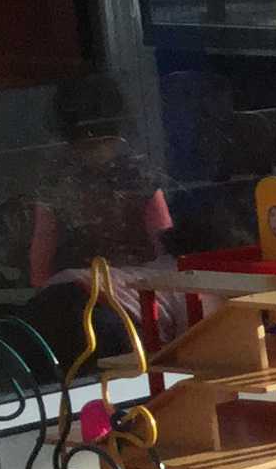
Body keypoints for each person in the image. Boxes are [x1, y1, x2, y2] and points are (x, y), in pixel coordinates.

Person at [19, 71, 173, 354]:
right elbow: (165, 240)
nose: (94, 147)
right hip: (131, 302)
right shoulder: (138, 172)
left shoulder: (58, 177)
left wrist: (43, 291)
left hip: (79, 297)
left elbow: (42, 248)